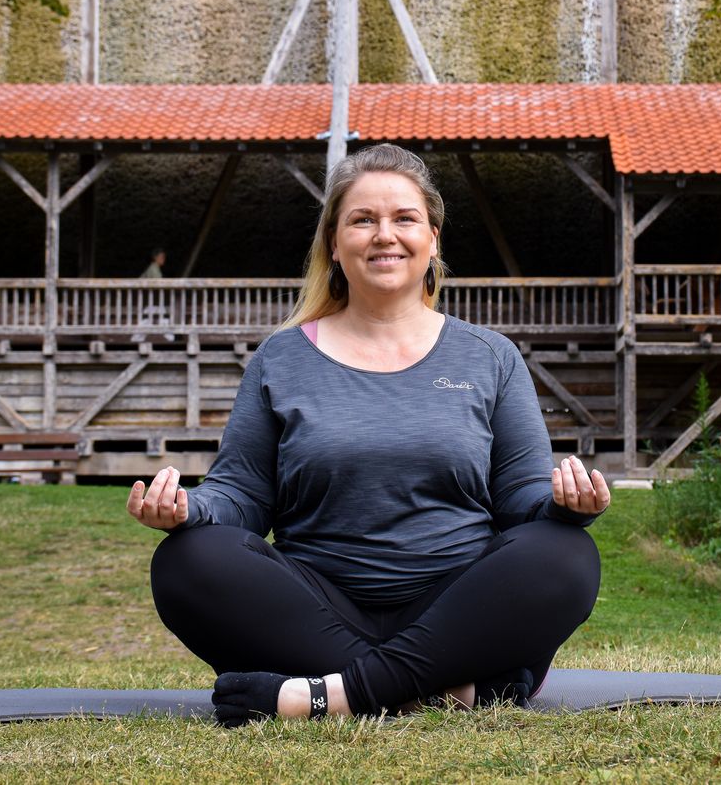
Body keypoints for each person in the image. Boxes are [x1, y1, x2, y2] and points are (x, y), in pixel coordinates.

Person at [127, 143, 610, 726]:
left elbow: (521, 498)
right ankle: (452, 692)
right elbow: (244, 496)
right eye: (363, 220)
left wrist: (563, 506)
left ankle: (325, 698)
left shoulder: (491, 357)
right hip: (316, 612)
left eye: (404, 219)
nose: (385, 235)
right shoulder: (282, 358)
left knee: (566, 555)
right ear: (334, 243)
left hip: (458, 611)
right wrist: (187, 507)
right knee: (187, 560)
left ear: (432, 238)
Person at [132, 247, 175, 343]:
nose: (163, 259)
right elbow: (158, 283)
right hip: (153, 299)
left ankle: (169, 337)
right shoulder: (153, 268)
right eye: (161, 257)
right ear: (155, 258)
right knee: (153, 318)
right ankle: (137, 338)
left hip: (154, 299)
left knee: (156, 318)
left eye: (164, 257)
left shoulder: (154, 268)